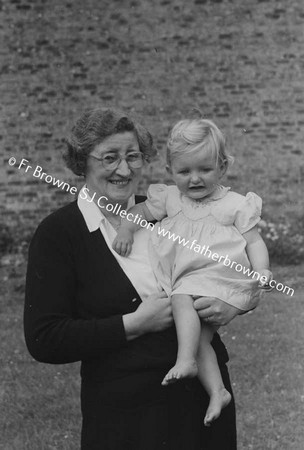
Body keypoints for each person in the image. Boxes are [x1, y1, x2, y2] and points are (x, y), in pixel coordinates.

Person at [24, 108, 240, 450]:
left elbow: (229, 260)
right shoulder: (59, 234)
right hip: (126, 420)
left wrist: (235, 303)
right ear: (82, 162)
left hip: (203, 406)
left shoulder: (169, 210)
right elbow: (44, 338)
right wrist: (133, 324)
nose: (124, 170)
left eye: (133, 157)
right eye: (110, 158)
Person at [113, 117, 272, 426]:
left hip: (221, 277)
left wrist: (262, 269)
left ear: (223, 167)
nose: (194, 179)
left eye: (205, 170)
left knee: (181, 297)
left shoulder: (234, 204)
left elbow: (254, 241)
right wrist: (126, 230)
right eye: (184, 171)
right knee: (198, 337)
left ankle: (184, 360)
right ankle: (217, 391)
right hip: (194, 280)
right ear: (171, 171)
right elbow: (140, 212)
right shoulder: (170, 198)